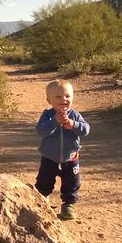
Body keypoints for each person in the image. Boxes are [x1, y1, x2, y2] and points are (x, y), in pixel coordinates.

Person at [34, 79, 90, 220]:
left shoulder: (75, 115)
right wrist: (55, 122)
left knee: (72, 182)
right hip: (49, 157)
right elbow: (41, 131)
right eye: (58, 97)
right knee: (44, 181)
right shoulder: (47, 115)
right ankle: (42, 200)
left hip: (70, 157)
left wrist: (73, 124)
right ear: (49, 100)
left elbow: (86, 130)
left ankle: (68, 206)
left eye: (67, 96)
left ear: (72, 97)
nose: (63, 99)